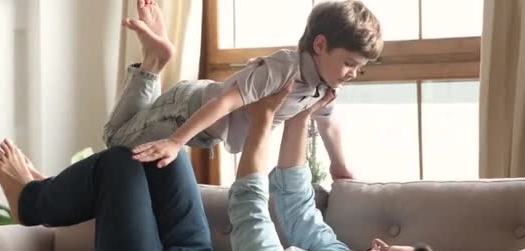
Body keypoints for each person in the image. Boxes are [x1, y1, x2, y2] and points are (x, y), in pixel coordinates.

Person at [0, 84, 449, 251]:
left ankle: (31, 203)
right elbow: (295, 202)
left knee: (119, 164)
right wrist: (301, 116)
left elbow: (253, 220)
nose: (375, 243)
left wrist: (263, 121)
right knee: (158, 152)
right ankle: (53, 192)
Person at [104, 0, 383, 180]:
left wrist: (339, 166)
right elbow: (226, 102)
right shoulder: (284, 68)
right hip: (186, 109)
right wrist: (175, 142)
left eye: (359, 67)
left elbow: (329, 125)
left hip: (205, 134)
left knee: (126, 131)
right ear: (320, 46)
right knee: (115, 141)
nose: (353, 74)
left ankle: (154, 59)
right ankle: (155, 62)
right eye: (349, 63)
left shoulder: (324, 87)